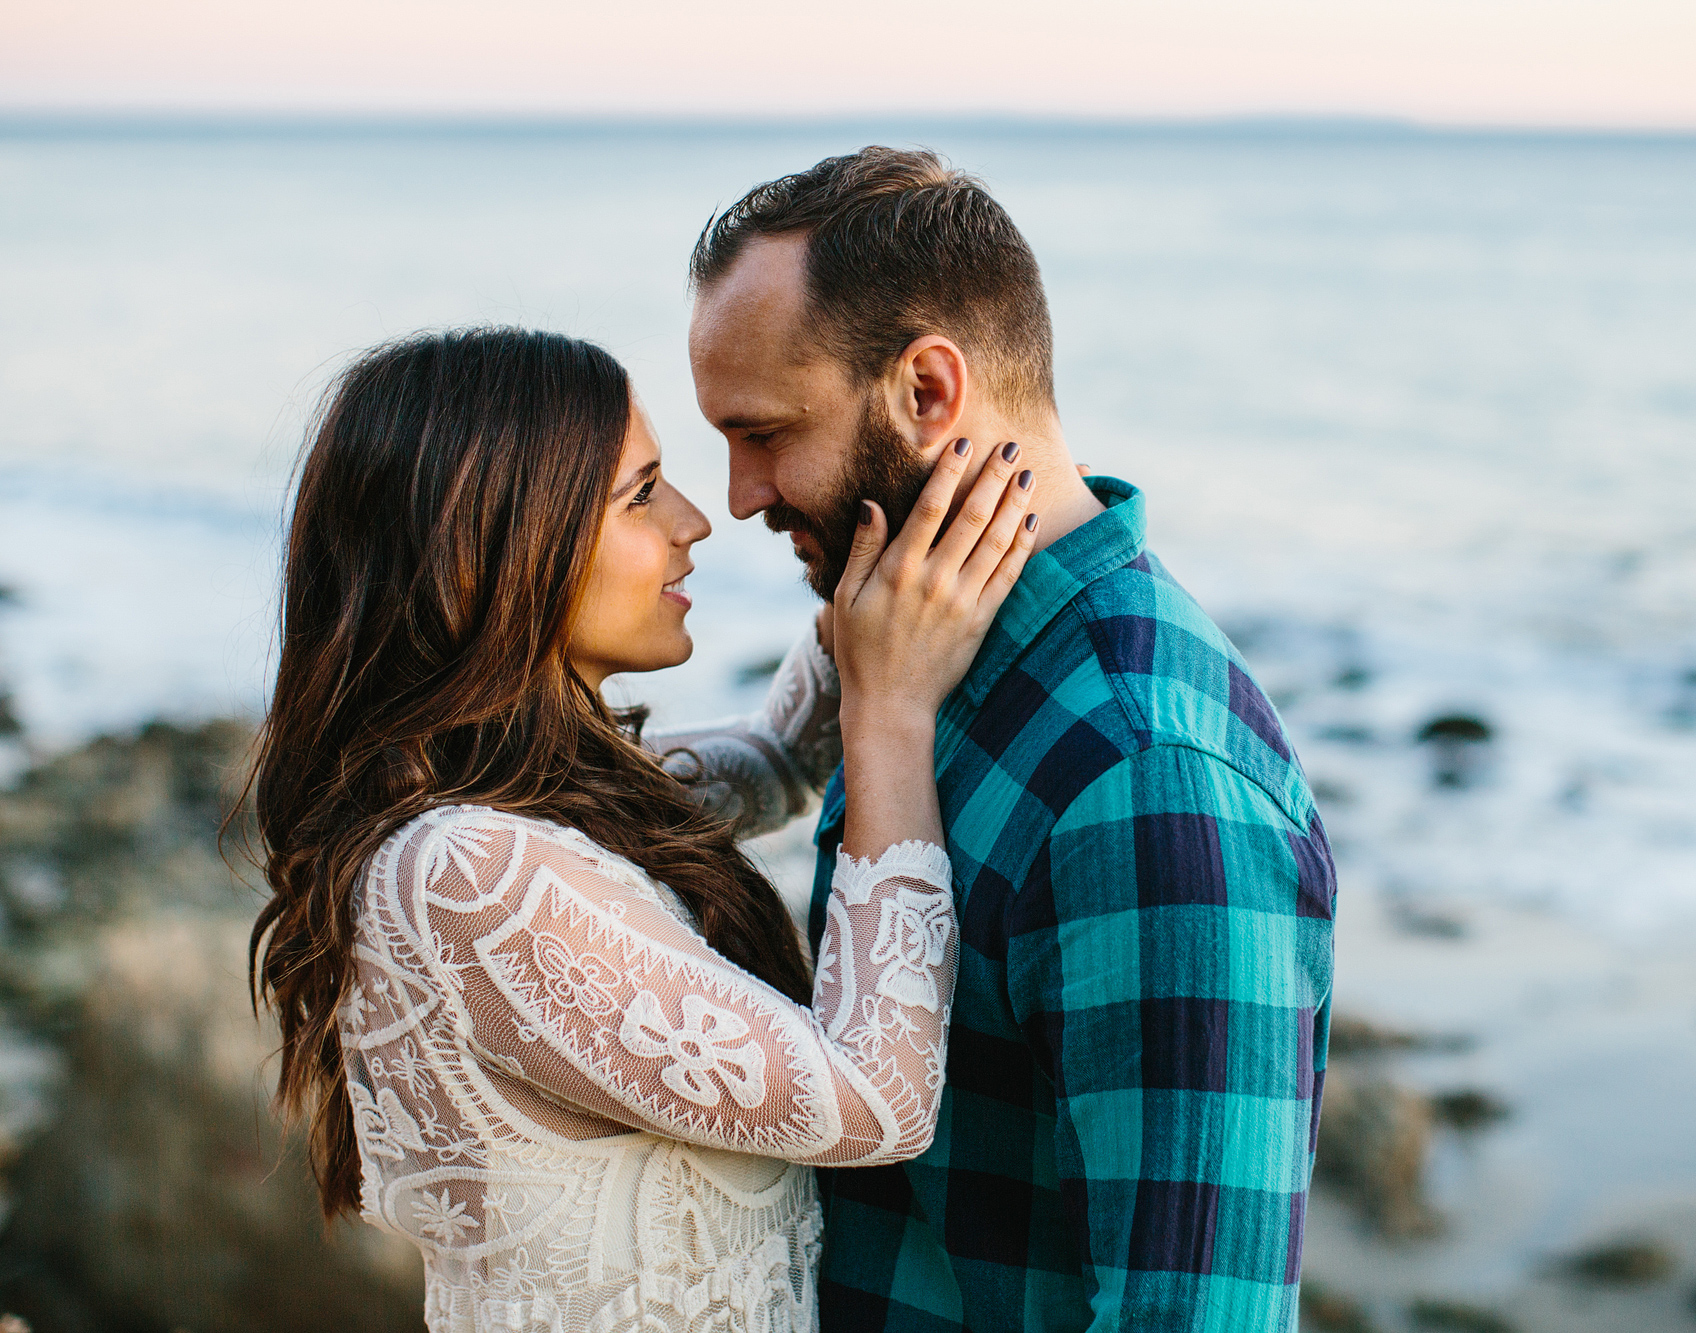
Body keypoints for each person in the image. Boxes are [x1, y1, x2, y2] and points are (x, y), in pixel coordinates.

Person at [249, 326, 1040, 1332]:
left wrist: (873, 572)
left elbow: (773, 761)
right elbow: (876, 1097)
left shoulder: (537, 798)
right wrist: (891, 710)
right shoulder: (465, 872)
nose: (695, 521)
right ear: (483, 549)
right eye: (641, 492)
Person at [687, 148, 1338, 1332]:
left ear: (929, 391)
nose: (738, 496)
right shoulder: (908, 652)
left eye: (766, 433)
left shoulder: (1144, 780)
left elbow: (1199, 1315)